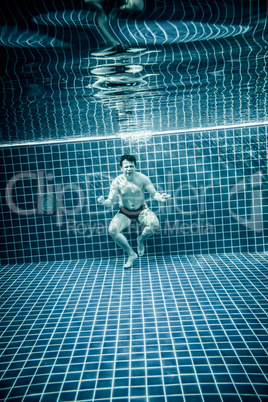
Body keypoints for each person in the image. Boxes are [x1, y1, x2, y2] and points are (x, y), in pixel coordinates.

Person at [97, 155, 171, 268]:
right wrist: (103, 202)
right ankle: (131, 254)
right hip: (125, 212)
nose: (128, 169)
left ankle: (140, 239)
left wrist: (161, 197)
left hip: (141, 210)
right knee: (112, 230)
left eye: (131, 166)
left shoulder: (143, 178)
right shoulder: (117, 182)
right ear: (121, 168)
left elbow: (154, 193)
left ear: (135, 166)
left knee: (154, 224)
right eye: (126, 167)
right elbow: (110, 201)